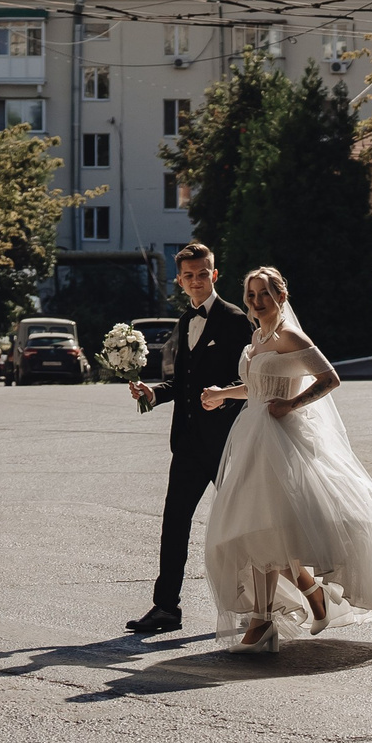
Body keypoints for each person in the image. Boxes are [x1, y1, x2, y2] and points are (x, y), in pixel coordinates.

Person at [197, 266, 372, 652]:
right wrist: (223, 394)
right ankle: (297, 601)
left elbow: (329, 378)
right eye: (252, 295)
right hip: (250, 438)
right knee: (254, 528)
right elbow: (257, 387)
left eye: (264, 295)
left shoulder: (290, 336)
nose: (257, 302)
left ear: (281, 297)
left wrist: (291, 404)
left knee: (268, 527)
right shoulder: (256, 338)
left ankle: (264, 621)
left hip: (281, 442)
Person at [124, 243, 255, 637]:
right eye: (188, 275)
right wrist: (153, 393)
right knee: (174, 522)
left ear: (214, 275)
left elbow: (251, 379)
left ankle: (258, 605)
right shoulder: (183, 322)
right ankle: (166, 607)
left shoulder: (235, 320)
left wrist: (222, 394)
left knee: (243, 523)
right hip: (187, 443)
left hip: (227, 443)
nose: (196, 281)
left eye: (203, 273)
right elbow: (181, 382)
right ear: (179, 281)